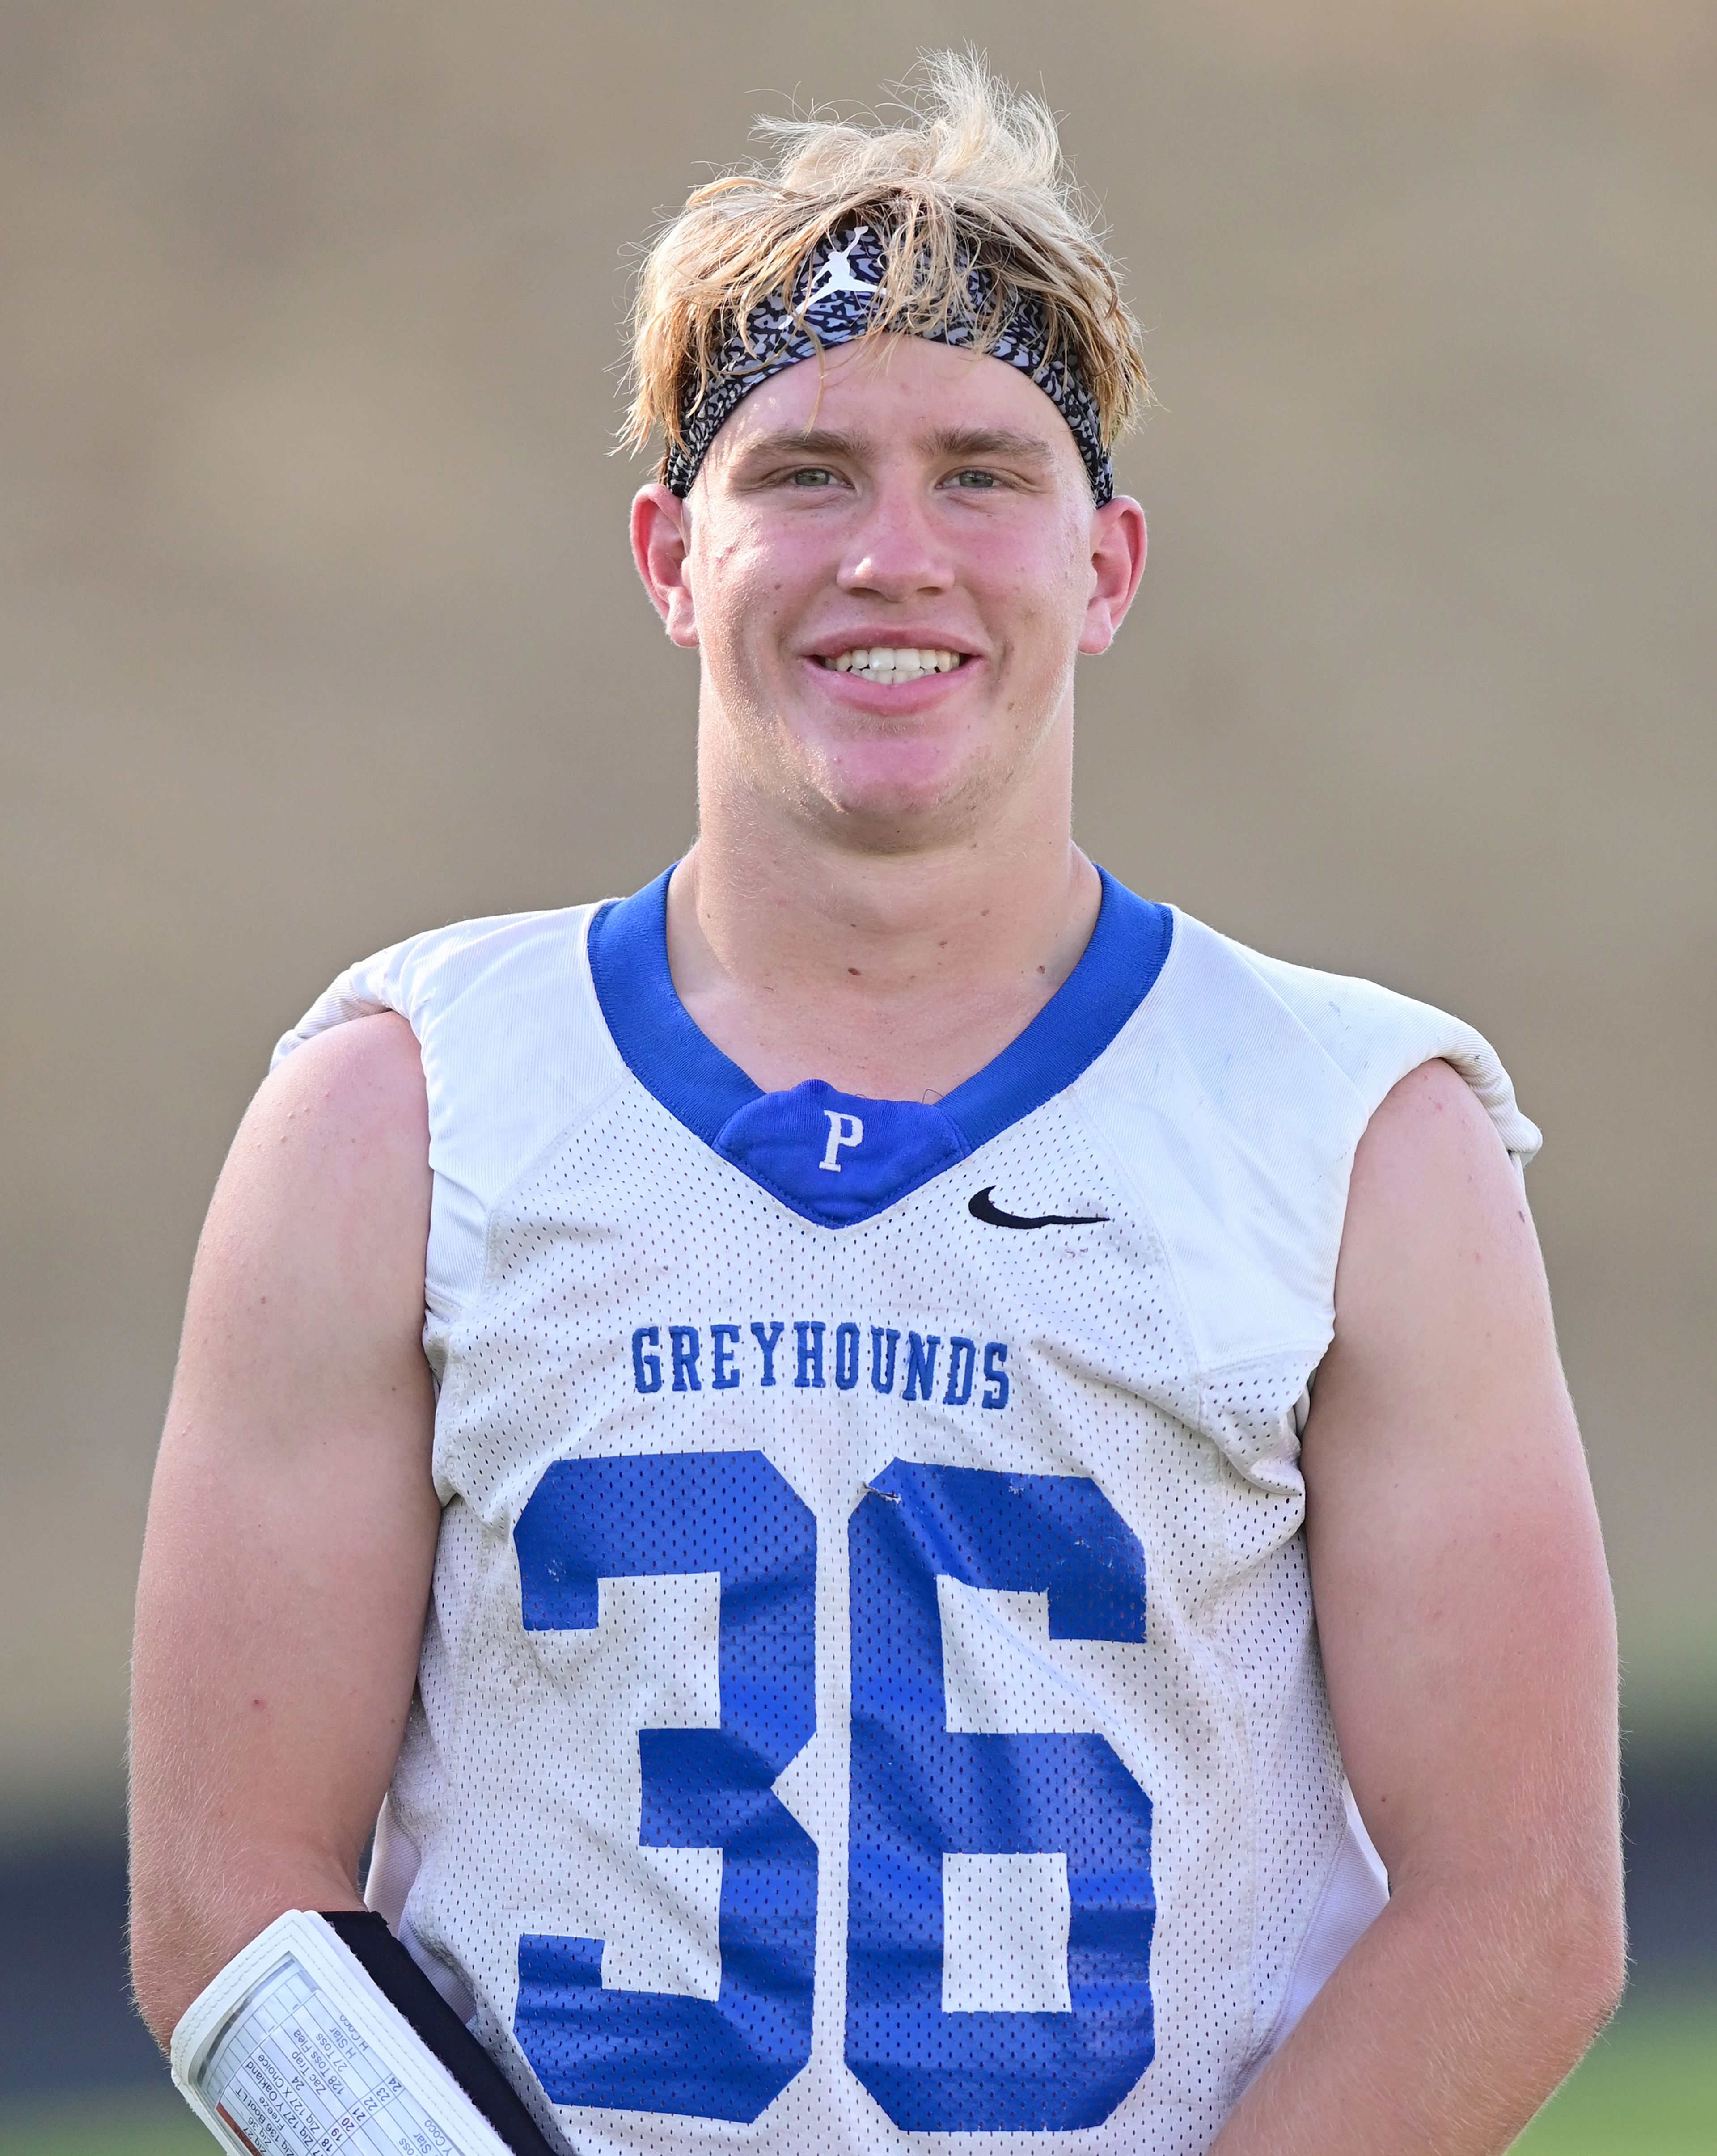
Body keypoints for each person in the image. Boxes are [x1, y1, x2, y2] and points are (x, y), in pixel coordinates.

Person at [129, 54, 1624, 2156]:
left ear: (1104, 567)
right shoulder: (401, 1109)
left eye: (985, 474)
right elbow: (228, 1900)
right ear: (672, 553)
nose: (895, 557)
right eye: (807, 471)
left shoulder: (1361, 1134)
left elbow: (1521, 1910)